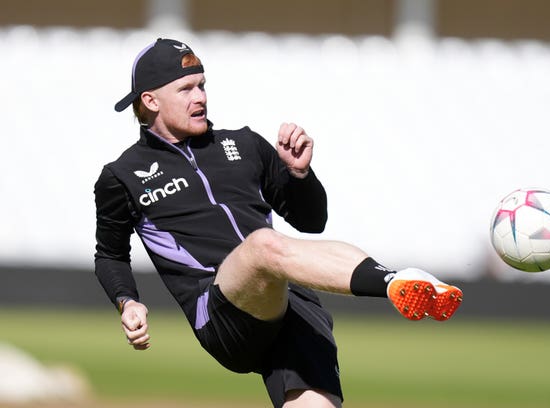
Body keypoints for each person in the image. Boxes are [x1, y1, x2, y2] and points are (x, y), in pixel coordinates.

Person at [94, 38, 463, 408]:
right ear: (150, 101)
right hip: (220, 311)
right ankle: (395, 282)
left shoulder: (244, 144)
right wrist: (128, 302)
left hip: (292, 302)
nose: (201, 97)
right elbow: (110, 255)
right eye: (186, 88)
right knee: (263, 245)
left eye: (202, 85)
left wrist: (300, 175)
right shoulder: (122, 176)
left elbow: (311, 221)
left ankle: (398, 281)